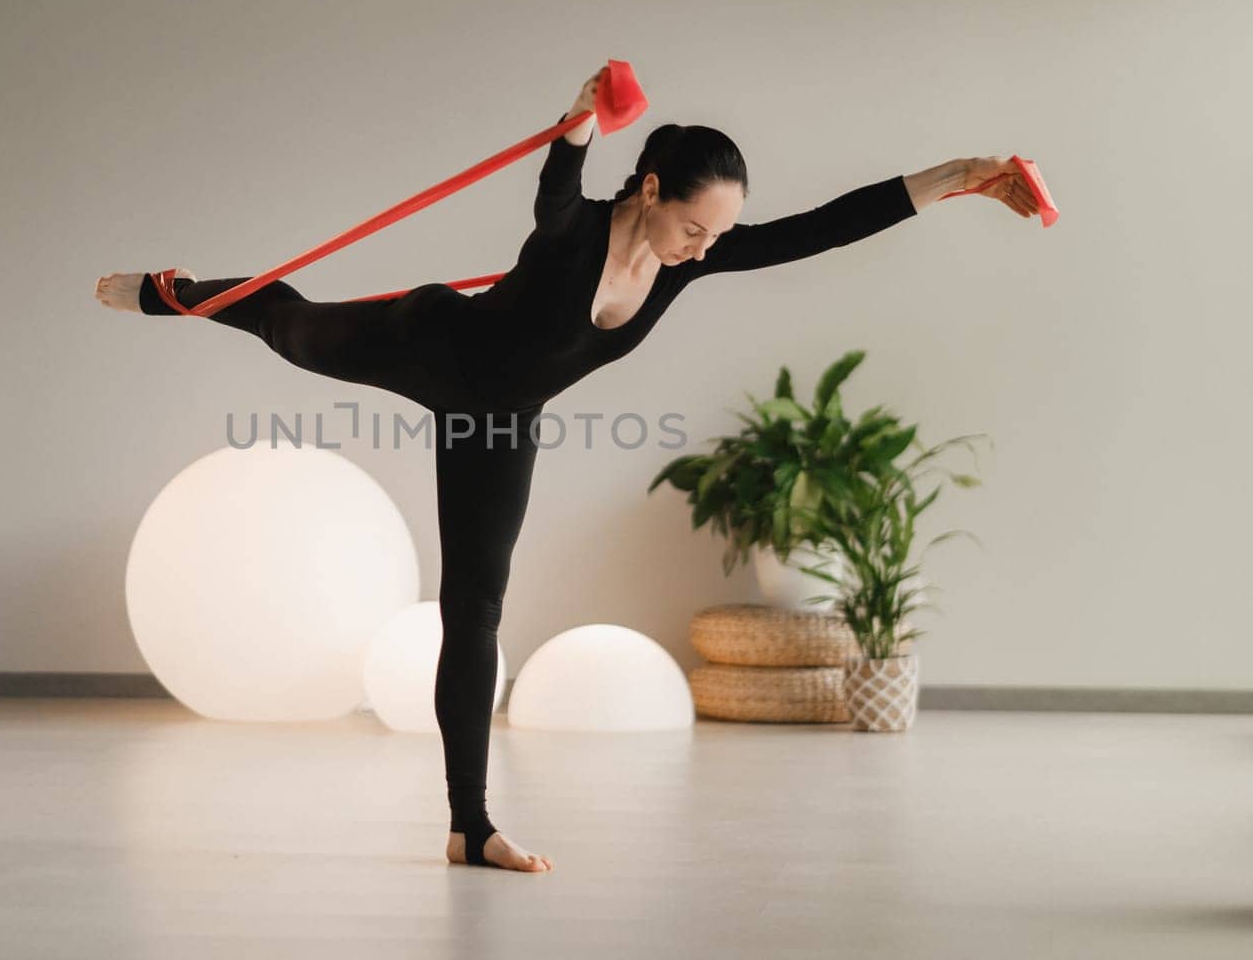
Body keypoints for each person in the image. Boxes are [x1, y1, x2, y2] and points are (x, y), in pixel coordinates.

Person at [93, 67, 1041, 872]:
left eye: (714, 238)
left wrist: (961, 177)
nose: (702, 250)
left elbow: (823, 227)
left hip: (498, 423)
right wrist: (581, 115)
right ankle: (176, 293)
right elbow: (556, 186)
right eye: (694, 228)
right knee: (288, 327)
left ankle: (471, 826)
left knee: (476, 608)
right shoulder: (573, 230)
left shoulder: (686, 265)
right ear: (652, 188)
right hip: (431, 342)